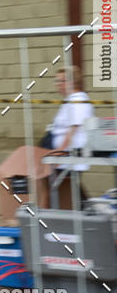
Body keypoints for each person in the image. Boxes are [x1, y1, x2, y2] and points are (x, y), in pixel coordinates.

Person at [44, 65, 94, 204]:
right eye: (57, 81)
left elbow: (73, 130)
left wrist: (58, 153)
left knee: (67, 188)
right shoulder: (70, 101)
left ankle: (88, 212)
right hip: (66, 158)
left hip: (70, 156)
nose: (57, 85)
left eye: (61, 81)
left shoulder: (78, 101)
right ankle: (88, 211)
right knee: (69, 189)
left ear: (71, 82)